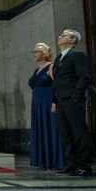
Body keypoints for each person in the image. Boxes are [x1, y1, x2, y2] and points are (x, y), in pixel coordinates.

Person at [52, 29, 92, 176]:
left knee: (79, 134)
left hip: (73, 100)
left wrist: (75, 97)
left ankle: (84, 166)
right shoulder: (58, 58)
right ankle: (70, 165)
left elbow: (84, 77)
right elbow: (56, 82)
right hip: (61, 101)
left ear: (73, 40)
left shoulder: (78, 55)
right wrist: (54, 100)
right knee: (65, 134)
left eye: (64, 35)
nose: (60, 36)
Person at [28, 42, 63, 170]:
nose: (34, 54)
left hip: (48, 102)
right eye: (33, 51)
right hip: (37, 104)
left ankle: (54, 161)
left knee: (51, 129)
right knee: (41, 128)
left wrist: (55, 101)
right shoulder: (36, 70)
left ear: (45, 53)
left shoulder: (51, 66)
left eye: (37, 51)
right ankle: (44, 160)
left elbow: (56, 84)